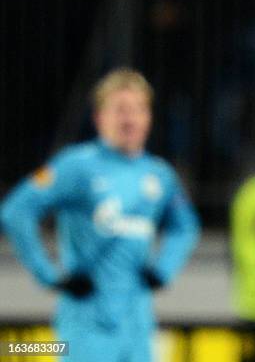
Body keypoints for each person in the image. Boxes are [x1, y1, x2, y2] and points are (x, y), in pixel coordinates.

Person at [0, 68, 201, 362]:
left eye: (138, 109)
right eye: (120, 109)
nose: (129, 119)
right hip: (86, 324)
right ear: (99, 118)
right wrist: (50, 276)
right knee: (19, 349)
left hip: (137, 325)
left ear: (149, 117)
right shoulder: (75, 166)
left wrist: (163, 269)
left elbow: (185, 227)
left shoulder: (159, 174)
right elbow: (16, 211)